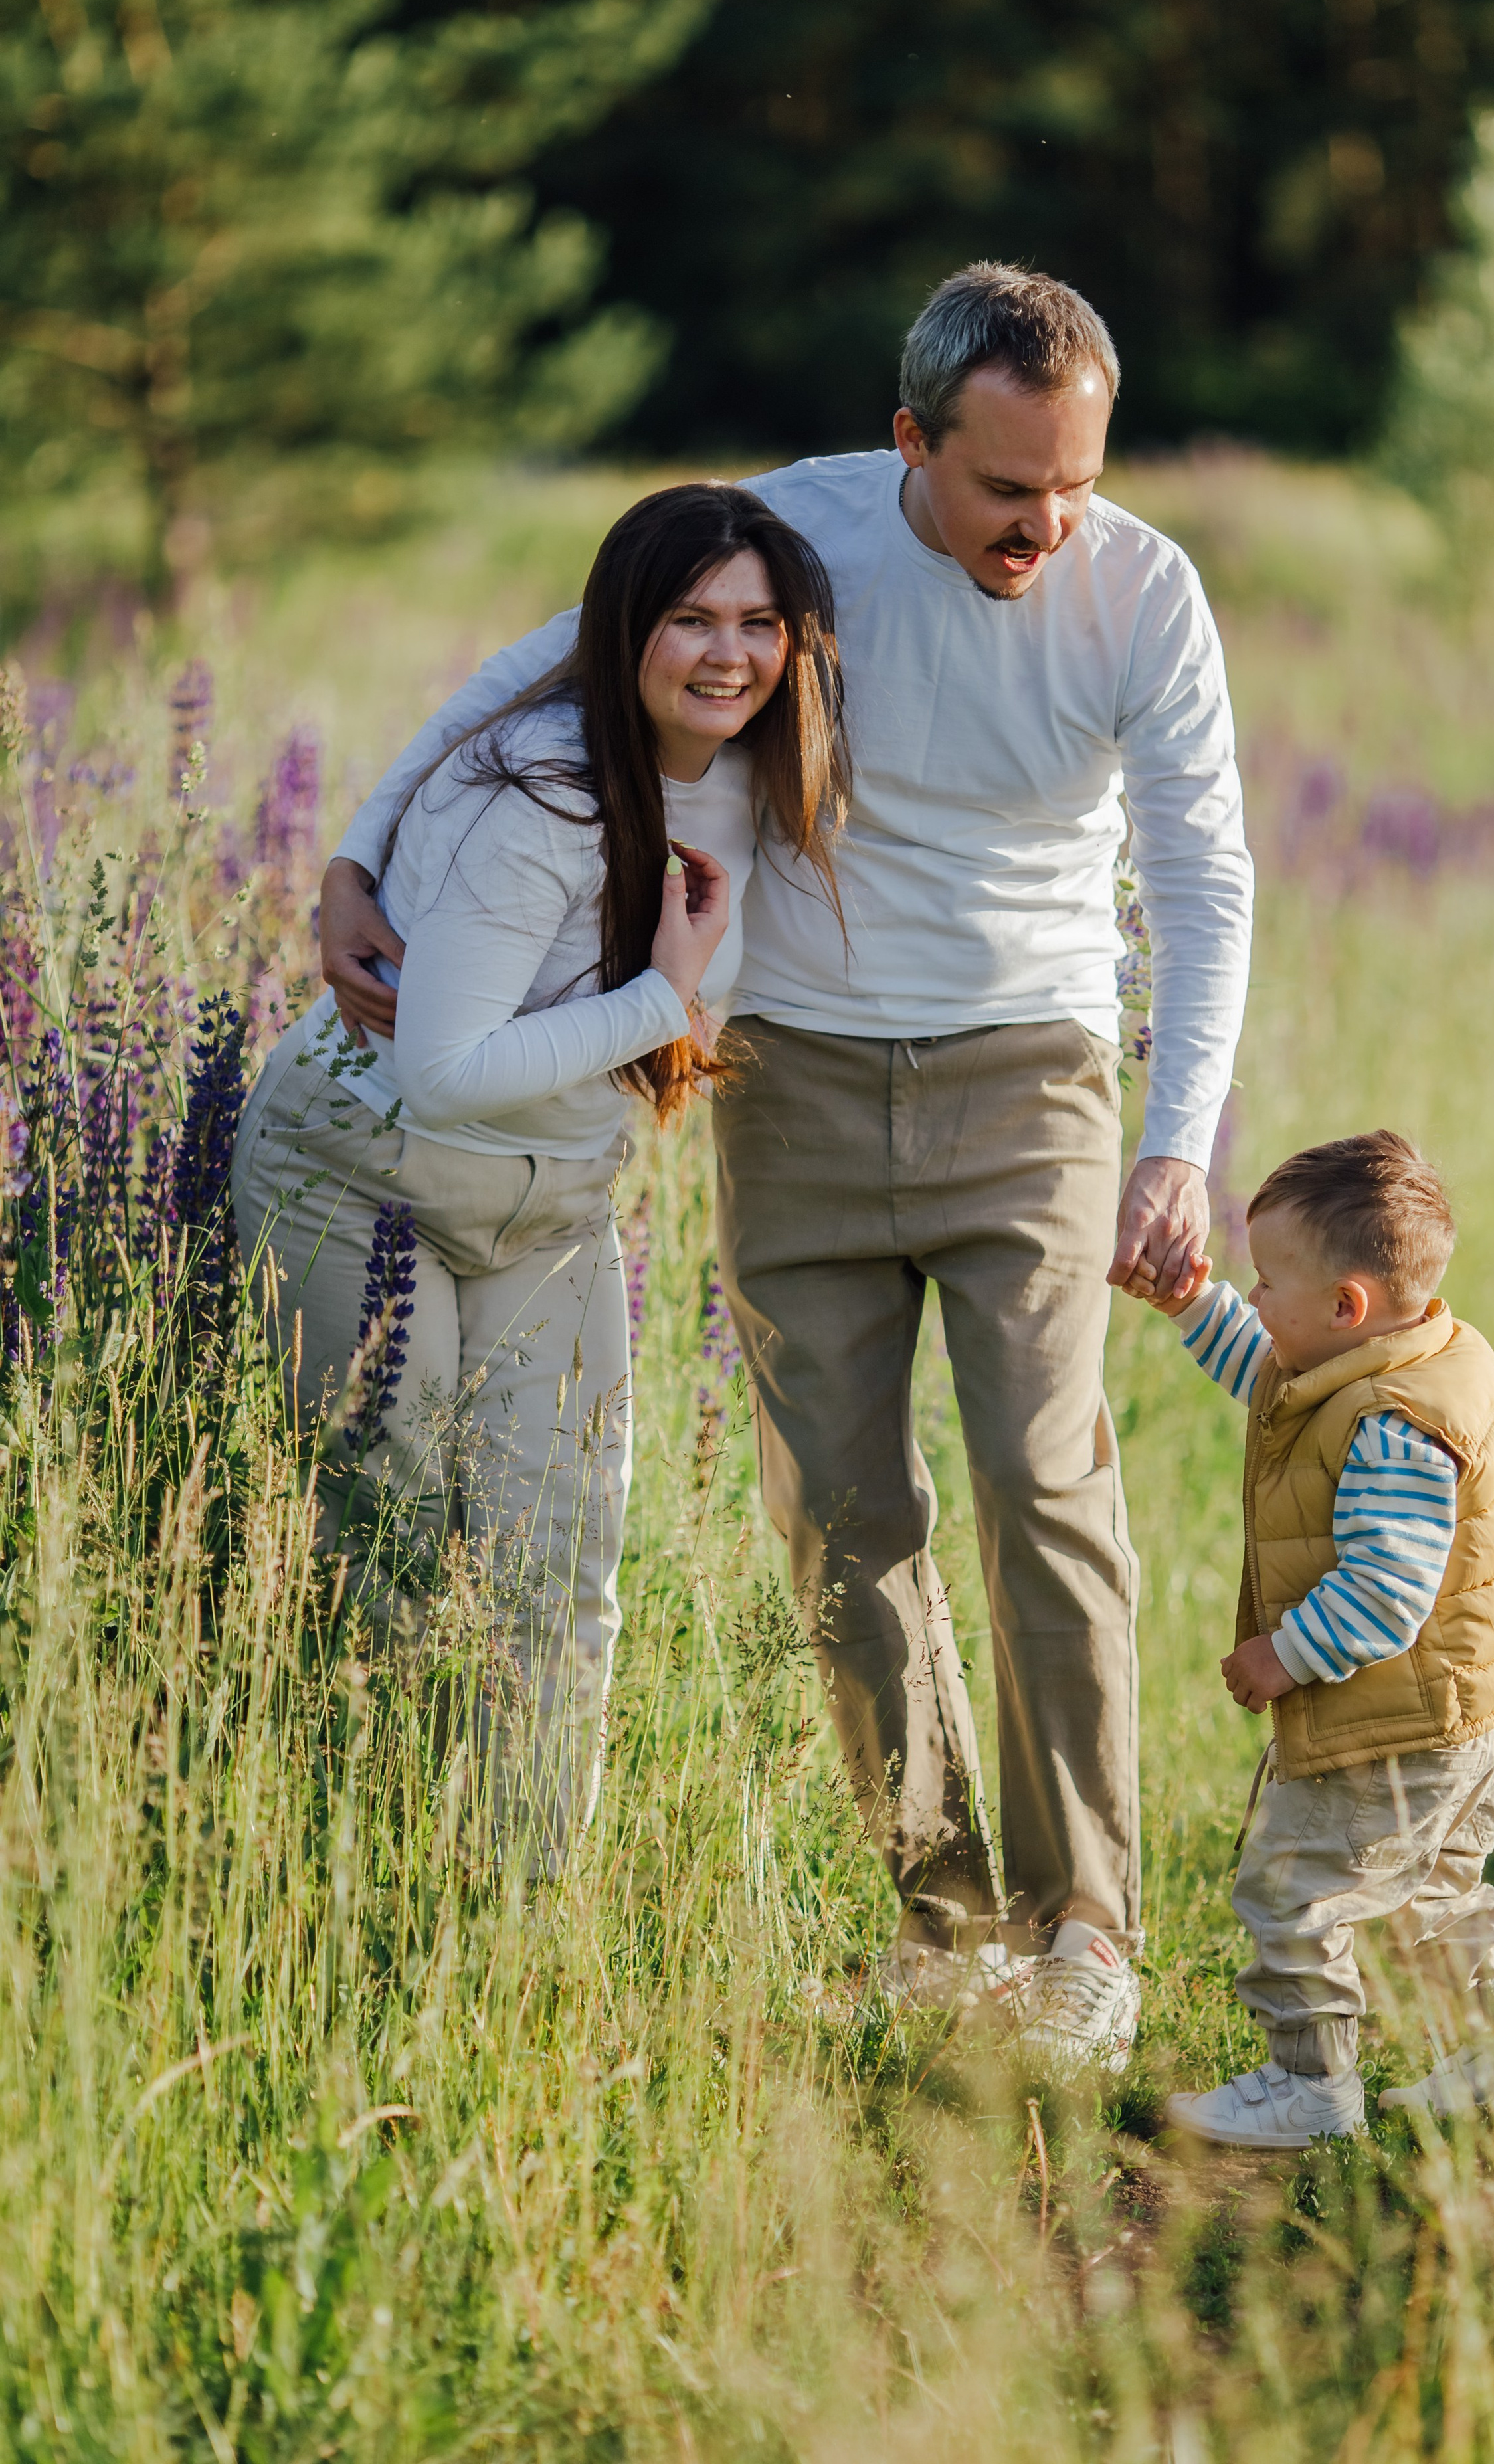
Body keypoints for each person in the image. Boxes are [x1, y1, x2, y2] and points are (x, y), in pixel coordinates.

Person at [320, 264, 1254, 2071]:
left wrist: (1176, 1142)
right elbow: (548, 657)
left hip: (1033, 1078)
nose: (1049, 525)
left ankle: (1089, 1934)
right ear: (911, 441)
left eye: (1078, 481)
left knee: (1043, 1485)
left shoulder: (1144, 592)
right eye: (1007, 490)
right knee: (840, 1517)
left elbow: (1206, 877)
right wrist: (357, 853)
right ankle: (945, 1925)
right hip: (795, 1080)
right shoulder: (800, 533)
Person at [233, 482, 847, 1864]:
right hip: (360, 1174)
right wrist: (665, 999)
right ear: (624, 628)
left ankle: (518, 1906)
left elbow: (511, 662)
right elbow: (443, 1068)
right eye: (688, 619)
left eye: (758, 624)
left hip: (549, 1203)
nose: (727, 655)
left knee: (557, 1566)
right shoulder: (543, 792)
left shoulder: (759, 763)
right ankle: (366, 1887)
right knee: (388, 1546)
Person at [1137, 1131, 1494, 2144]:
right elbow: (1274, 1372)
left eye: (1264, 1283)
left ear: (1346, 1307)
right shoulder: (1403, 1359)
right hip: (1465, 1713)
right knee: (1432, 1898)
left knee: (1292, 1885)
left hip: (1399, 1727)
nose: (1253, 1301)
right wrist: (1188, 1304)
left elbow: (1385, 1591)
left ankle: (1310, 2086)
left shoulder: (1391, 1423)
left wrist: (1279, 1655)